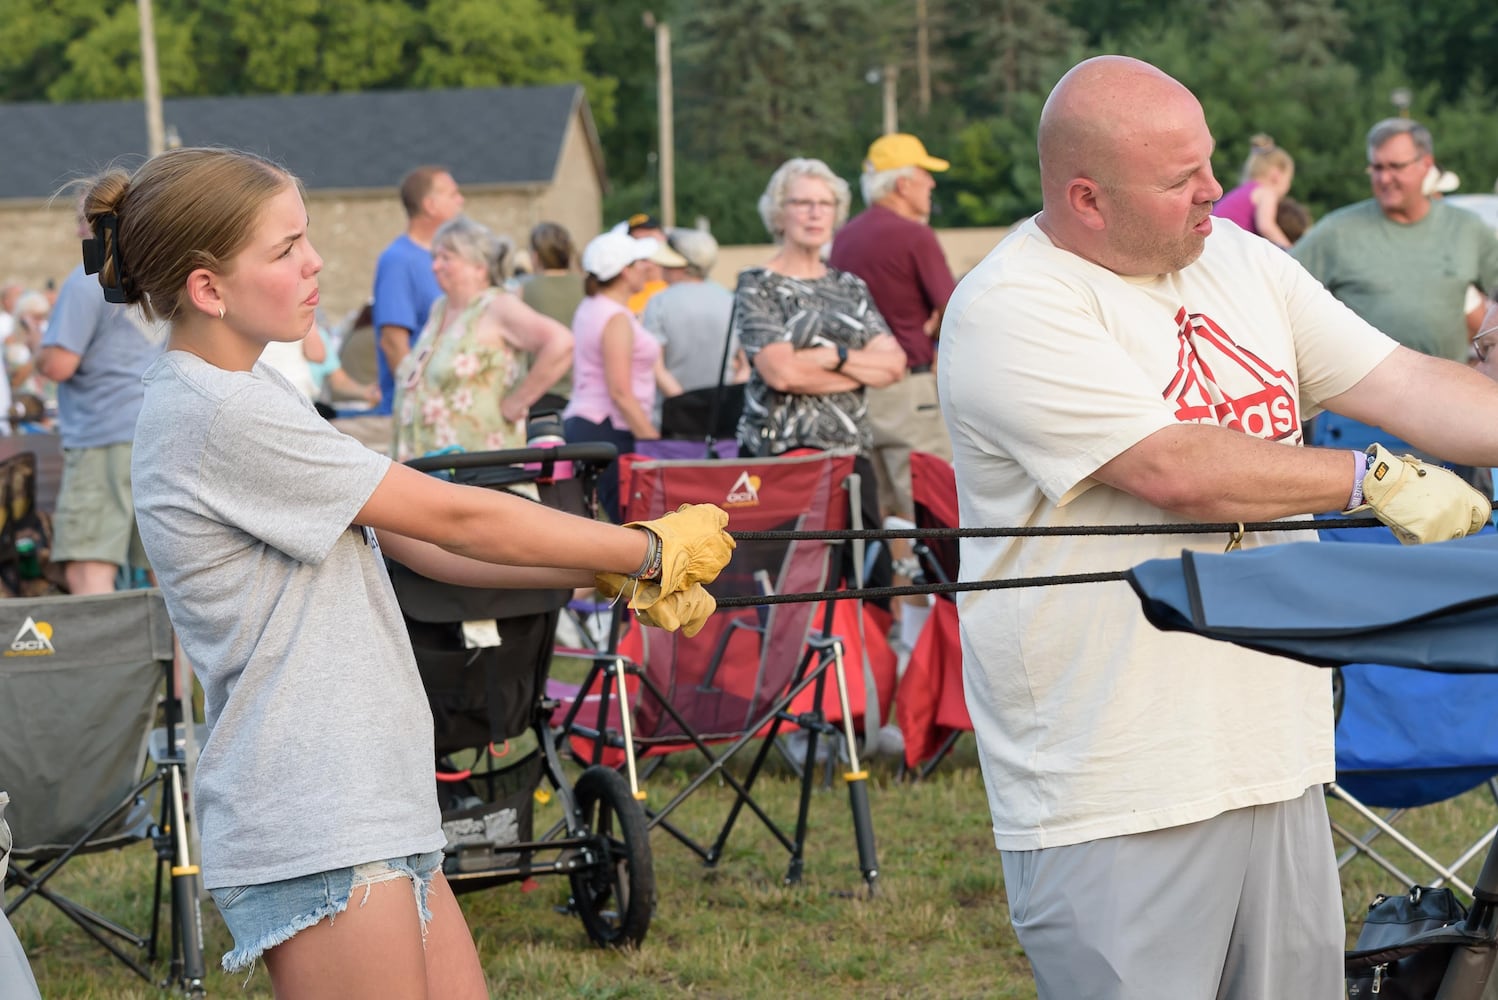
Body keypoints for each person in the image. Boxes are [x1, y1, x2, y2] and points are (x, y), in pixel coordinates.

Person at [81, 146, 733, 999]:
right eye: (285, 250)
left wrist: (598, 571)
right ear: (208, 289)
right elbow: (452, 514)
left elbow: (426, 541)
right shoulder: (218, 412)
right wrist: (644, 548)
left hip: (369, 790)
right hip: (317, 804)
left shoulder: (252, 391)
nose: (315, 262)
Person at [938, 55, 1498, 1000]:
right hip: (1113, 778)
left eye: (1207, 166)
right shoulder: (1011, 307)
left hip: (1273, 747)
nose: (1214, 193)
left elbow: (1401, 382)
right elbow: (1174, 468)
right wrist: (1371, 478)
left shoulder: (1236, 259)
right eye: (1179, 180)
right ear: (1087, 198)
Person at [828, 133, 958, 601]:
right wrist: (932, 322)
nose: (930, 186)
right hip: (909, 387)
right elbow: (955, 307)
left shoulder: (844, 237)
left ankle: (897, 611)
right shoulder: (914, 235)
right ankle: (933, 612)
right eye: (925, 176)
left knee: (882, 508)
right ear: (902, 184)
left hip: (854, 389)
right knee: (928, 501)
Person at [37, 205, 163, 595]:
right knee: (167, 568)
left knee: (89, 567)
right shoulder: (153, 275)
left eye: (79, 219)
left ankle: (109, 659)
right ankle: (180, 660)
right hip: (156, 432)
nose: (76, 230)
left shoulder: (86, 280)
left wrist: (40, 351)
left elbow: (59, 365)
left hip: (103, 436)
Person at [391, 215, 572, 462]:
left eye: (446, 258)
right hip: (429, 471)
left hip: (477, 472)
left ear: (479, 266)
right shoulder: (440, 308)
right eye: (435, 258)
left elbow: (561, 343)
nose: (435, 266)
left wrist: (517, 402)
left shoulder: (496, 305)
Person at [564, 229, 683, 520]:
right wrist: (654, 444)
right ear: (624, 271)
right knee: (633, 524)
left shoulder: (593, 307)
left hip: (590, 423)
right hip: (609, 428)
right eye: (639, 262)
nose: (648, 267)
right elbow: (620, 392)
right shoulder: (616, 318)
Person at [371, 165, 464, 416]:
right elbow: (393, 342)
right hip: (420, 414)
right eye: (453, 194)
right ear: (430, 205)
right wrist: (420, 402)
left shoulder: (446, 258)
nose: (461, 200)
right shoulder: (398, 261)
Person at [641, 228, 738, 392]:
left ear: (681, 265)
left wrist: (683, 402)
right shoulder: (729, 298)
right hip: (724, 405)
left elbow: (655, 367)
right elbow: (743, 365)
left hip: (673, 409)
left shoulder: (659, 302)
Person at [518, 221, 585, 412]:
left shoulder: (523, 289)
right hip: (581, 390)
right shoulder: (586, 287)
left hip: (540, 390)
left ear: (535, 256)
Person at [1210, 133, 1296, 248]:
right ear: (1277, 175)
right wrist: (1290, 250)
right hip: (1225, 246)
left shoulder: (1244, 191)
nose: (1288, 186)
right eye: (1288, 180)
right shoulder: (1266, 193)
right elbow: (1266, 226)